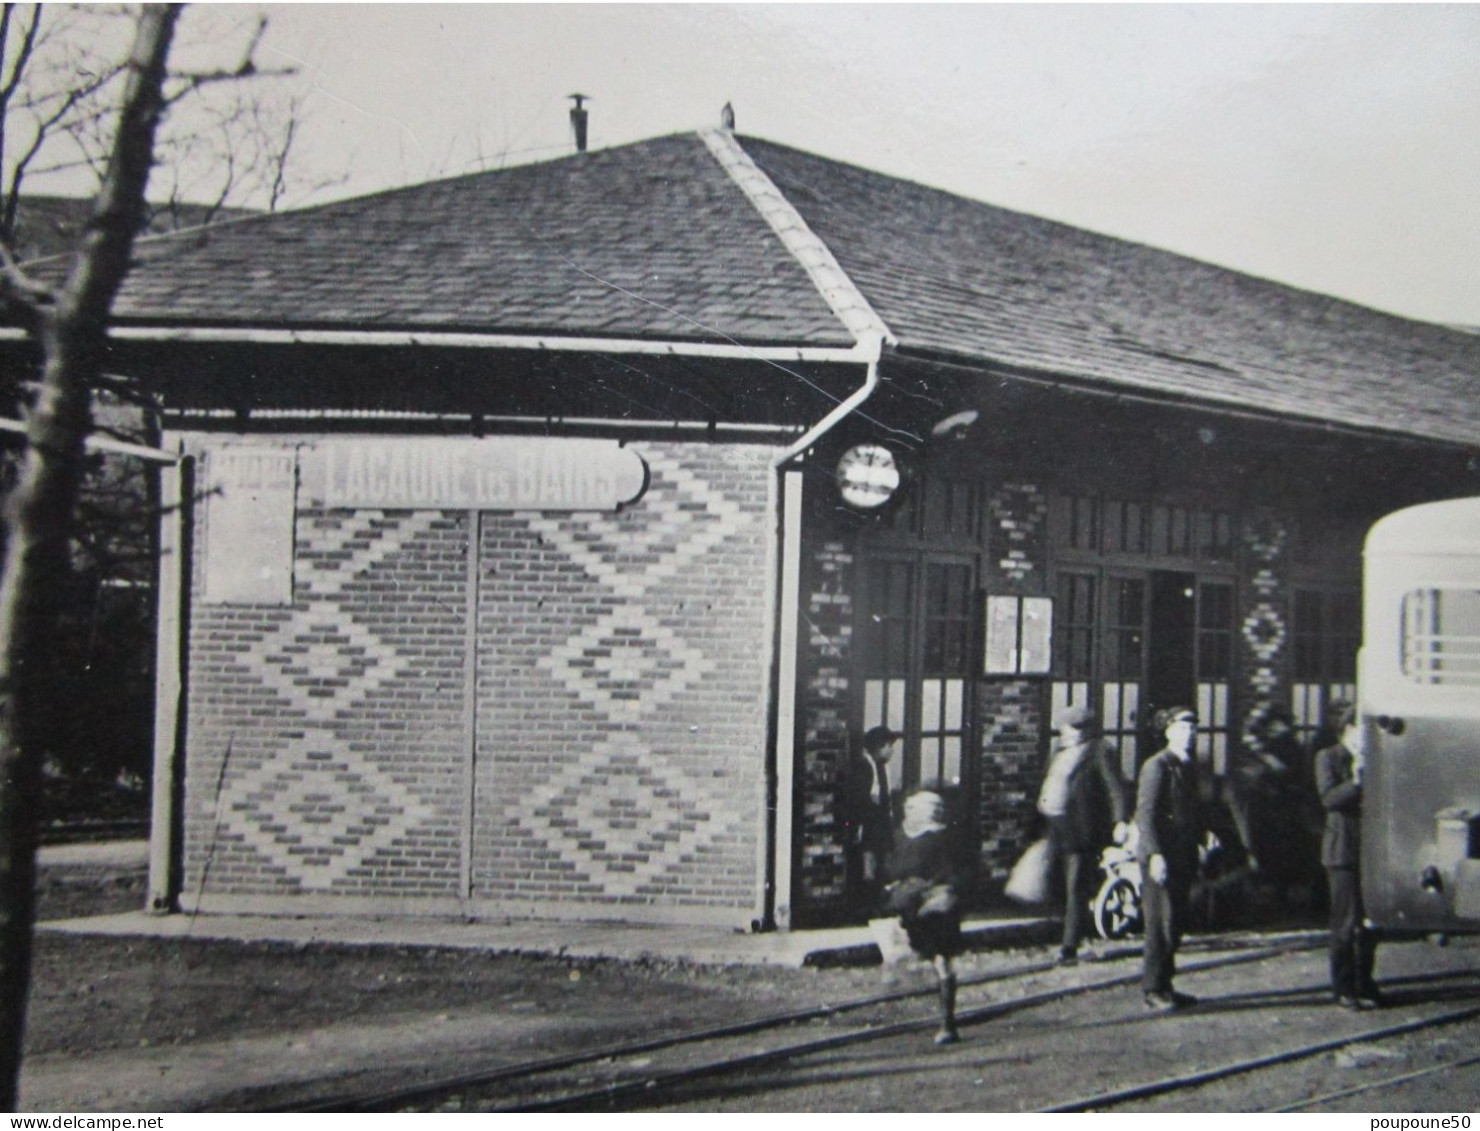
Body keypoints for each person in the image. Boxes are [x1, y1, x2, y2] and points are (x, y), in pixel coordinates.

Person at [1037, 705, 1129, 965]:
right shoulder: (1059, 750)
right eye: (1064, 729)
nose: (1067, 734)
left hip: (1082, 828)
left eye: (1073, 729)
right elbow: (1047, 782)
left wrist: (1120, 820)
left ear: (1085, 730)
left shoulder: (1100, 751)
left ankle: (1069, 946)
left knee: (1076, 886)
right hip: (1056, 826)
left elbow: (1115, 788)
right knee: (1056, 882)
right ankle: (1065, 930)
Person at [1134, 706, 1207, 1011]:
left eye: (1192, 728)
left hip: (1183, 853)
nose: (1189, 733)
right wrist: (1154, 855)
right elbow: (1146, 815)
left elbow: (1193, 809)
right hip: (1161, 856)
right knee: (1159, 923)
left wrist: (1204, 837)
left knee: (1175, 923)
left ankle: (1166, 983)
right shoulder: (1157, 766)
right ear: (1168, 732)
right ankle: (1153, 988)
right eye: (1182, 728)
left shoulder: (1188, 766)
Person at [884, 785, 969, 1046]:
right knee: (942, 962)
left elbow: (894, 869)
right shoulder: (945, 838)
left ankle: (945, 1022)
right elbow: (958, 873)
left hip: (926, 906)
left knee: (933, 958)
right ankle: (947, 1023)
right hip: (935, 905)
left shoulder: (908, 838)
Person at [1315, 718, 1382, 1010]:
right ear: (1346, 730)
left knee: (1370, 922)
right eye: (1359, 733)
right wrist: (1356, 781)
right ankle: (1343, 988)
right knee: (1345, 921)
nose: (1363, 739)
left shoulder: (1377, 759)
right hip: (1341, 851)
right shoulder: (1328, 757)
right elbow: (1329, 798)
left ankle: (1364, 981)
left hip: (1370, 852)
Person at [843, 724, 898, 916]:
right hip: (868, 825)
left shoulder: (884, 768)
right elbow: (858, 801)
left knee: (883, 864)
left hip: (881, 823)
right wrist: (858, 826)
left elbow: (886, 797)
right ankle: (866, 906)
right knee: (869, 864)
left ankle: (880, 902)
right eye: (888, 746)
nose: (891, 751)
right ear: (878, 746)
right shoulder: (864, 767)